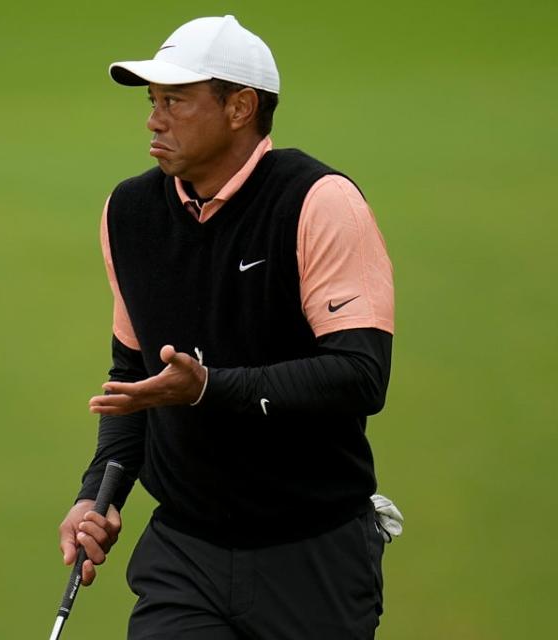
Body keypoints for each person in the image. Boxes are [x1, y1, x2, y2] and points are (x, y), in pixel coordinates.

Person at [59, 15, 400, 639]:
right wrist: (96, 497)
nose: (154, 119)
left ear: (241, 107)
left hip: (312, 553)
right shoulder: (129, 214)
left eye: (177, 101)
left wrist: (210, 388)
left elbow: (360, 376)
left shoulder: (318, 201)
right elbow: (135, 381)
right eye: (152, 101)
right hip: (184, 553)